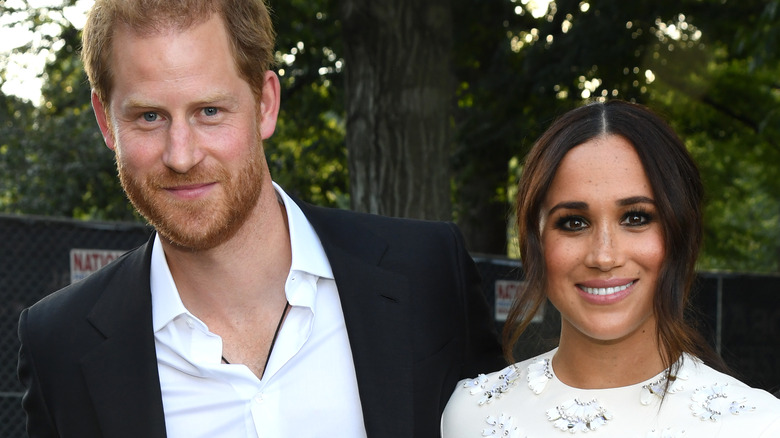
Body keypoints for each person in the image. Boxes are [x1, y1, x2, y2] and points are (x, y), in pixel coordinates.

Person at [16, 1, 505, 437]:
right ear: (106, 122)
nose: (181, 156)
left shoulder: (428, 274)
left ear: (266, 104)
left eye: (209, 110)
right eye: (148, 117)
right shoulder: (59, 345)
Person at [441, 100, 780, 437]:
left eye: (636, 218)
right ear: (535, 243)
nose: (604, 257)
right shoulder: (469, 416)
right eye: (574, 222)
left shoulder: (759, 426)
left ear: (682, 234)